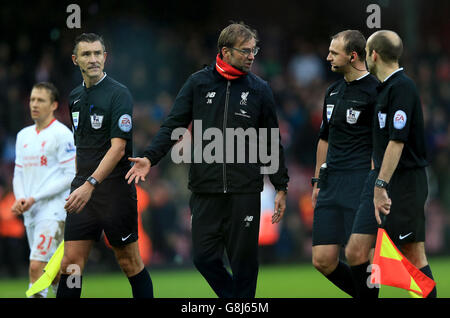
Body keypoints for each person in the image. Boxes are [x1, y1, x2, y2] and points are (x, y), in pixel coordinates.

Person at [125, 22, 289, 298]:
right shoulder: (198, 83)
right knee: (203, 258)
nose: (252, 56)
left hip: (244, 190)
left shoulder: (260, 89)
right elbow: (172, 125)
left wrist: (280, 185)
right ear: (225, 51)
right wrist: (150, 158)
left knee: (244, 264)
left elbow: (271, 141)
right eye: (246, 51)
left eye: (254, 50)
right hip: (205, 189)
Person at [56, 33, 153, 298]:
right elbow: (82, 146)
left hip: (114, 191)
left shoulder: (119, 94)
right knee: (71, 264)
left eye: (98, 53)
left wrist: (90, 184)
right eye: (86, 54)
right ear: (76, 60)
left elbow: (118, 147)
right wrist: (78, 183)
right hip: (84, 188)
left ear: (105, 58)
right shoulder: (75, 97)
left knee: (129, 262)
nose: (93, 59)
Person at [345, 30, 437, 298]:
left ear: (373, 54)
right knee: (367, 252)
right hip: (389, 180)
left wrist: (380, 184)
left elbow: (397, 142)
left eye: (366, 54)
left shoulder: (402, 88)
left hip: (405, 182)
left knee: (412, 254)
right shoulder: (385, 89)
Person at [311, 30, 379, 297]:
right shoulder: (332, 91)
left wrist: (376, 186)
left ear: (352, 56)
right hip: (331, 184)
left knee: (363, 258)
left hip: (360, 183)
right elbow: (324, 140)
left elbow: (382, 145)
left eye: (333, 53)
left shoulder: (377, 92)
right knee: (322, 260)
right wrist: (317, 181)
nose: (328, 57)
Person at [11, 82, 76, 297]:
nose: (34, 104)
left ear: (54, 105)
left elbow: (70, 175)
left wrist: (34, 197)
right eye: (32, 99)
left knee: (36, 267)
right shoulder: (23, 136)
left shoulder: (62, 134)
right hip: (31, 211)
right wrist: (21, 198)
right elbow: (18, 172)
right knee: (53, 272)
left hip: (54, 210)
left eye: (40, 100)